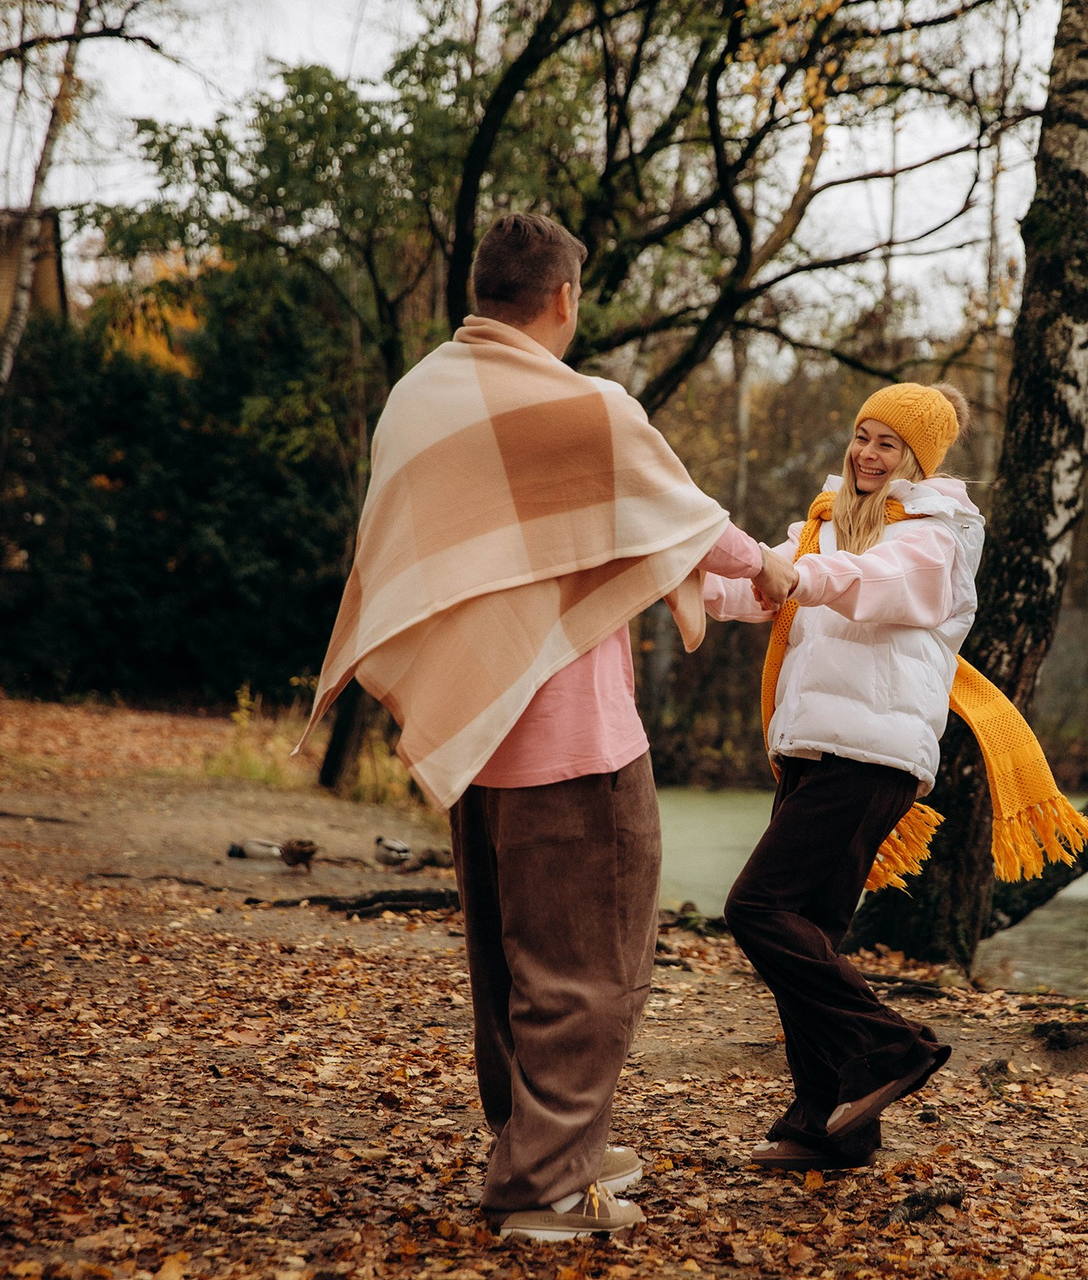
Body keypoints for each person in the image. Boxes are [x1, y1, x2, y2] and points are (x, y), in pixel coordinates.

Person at [299, 213, 797, 1239]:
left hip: (481, 729)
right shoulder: (581, 408)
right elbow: (687, 518)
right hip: (576, 741)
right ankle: (540, 1188)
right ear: (564, 299)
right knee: (591, 969)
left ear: (481, 290)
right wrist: (769, 568)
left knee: (512, 961)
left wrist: (715, 580)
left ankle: (542, 1139)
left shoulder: (420, 399)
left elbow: (583, 546)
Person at [701, 383, 1088, 1170]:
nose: (867, 454)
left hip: (872, 755)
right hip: (813, 746)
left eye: (888, 443)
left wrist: (799, 576)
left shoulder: (935, 535)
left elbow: (872, 585)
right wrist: (679, 568)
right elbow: (752, 587)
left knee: (757, 907)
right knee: (808, 932)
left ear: (918, 458)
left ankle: (891, 1046)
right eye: (862, 436)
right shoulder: (824, 524)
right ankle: (831, 1126)